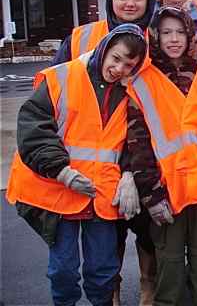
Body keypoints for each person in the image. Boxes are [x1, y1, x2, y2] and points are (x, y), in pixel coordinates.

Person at [6, 24, 148, 306]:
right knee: (63, 271)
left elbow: (137, 140)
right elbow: (33, 130)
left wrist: (130, 174)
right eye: (116, 58)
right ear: (104, 50)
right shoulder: (63, 77)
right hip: (60, 193)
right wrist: (61, 170)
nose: (119, 68)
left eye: (129, 64)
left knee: (103, 270)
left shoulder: (133, 94)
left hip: (100, 196)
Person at [50, 0, 157, 306]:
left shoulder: (159, 38)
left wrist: (131, 168)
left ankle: (147, 287)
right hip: (86, 165)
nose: (129, 2)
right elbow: (55, 91)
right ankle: (109, 293)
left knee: (144, 229)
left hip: (141, 154)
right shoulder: (82, 37)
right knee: (107, 238)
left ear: (148, 1)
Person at [126, 7, 197, 305]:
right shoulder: (141, 82)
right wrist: (151, 194)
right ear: (155, 37)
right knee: (170, 266)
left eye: (180, 32)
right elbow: (138, 146)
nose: (174, 39)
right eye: (166, 32)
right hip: (166, 193)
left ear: (190, 35)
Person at [52, 0, 156, 64]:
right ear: (111, 0)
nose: (130, 4)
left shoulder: (158, 40)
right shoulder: (79, 38)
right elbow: (55, 80)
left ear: (149, 2)